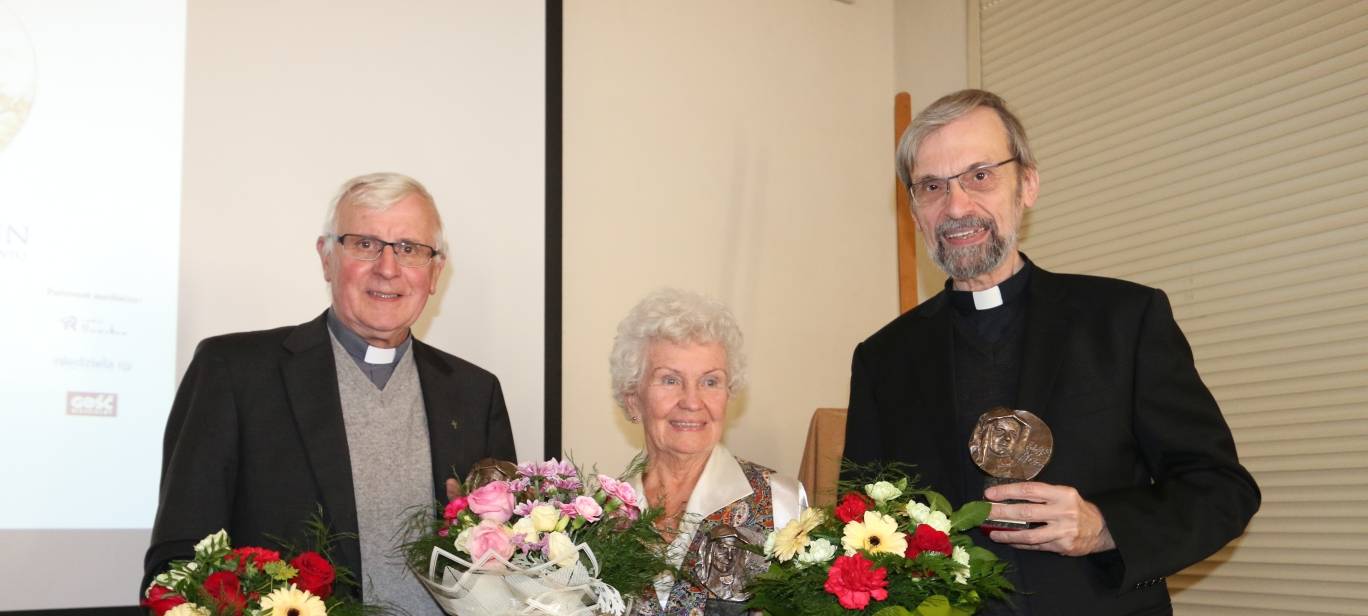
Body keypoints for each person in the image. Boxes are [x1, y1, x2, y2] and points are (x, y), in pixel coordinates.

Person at [842, 90, 1259, 615]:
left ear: (1028, 184)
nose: (956, 206)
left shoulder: (1124, 319)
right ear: (914, 210)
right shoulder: (883, 359)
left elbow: (1221, 490)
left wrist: (1102, 526)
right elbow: (859, 529)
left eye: (979, 175)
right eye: (931, 186)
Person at [143, 173, 517, 614]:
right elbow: (178, 562)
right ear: (326, 258)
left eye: (410, 249)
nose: (388, 267)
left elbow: (513, 562)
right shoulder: (233, 371)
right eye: (364, 244)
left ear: (435, 271)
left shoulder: (475, 392)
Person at [609, 289, 807, 614]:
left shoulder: (782, 503)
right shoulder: (601, 516)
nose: (692, 401)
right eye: (670, 380)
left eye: (710, 382)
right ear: (633, 398)